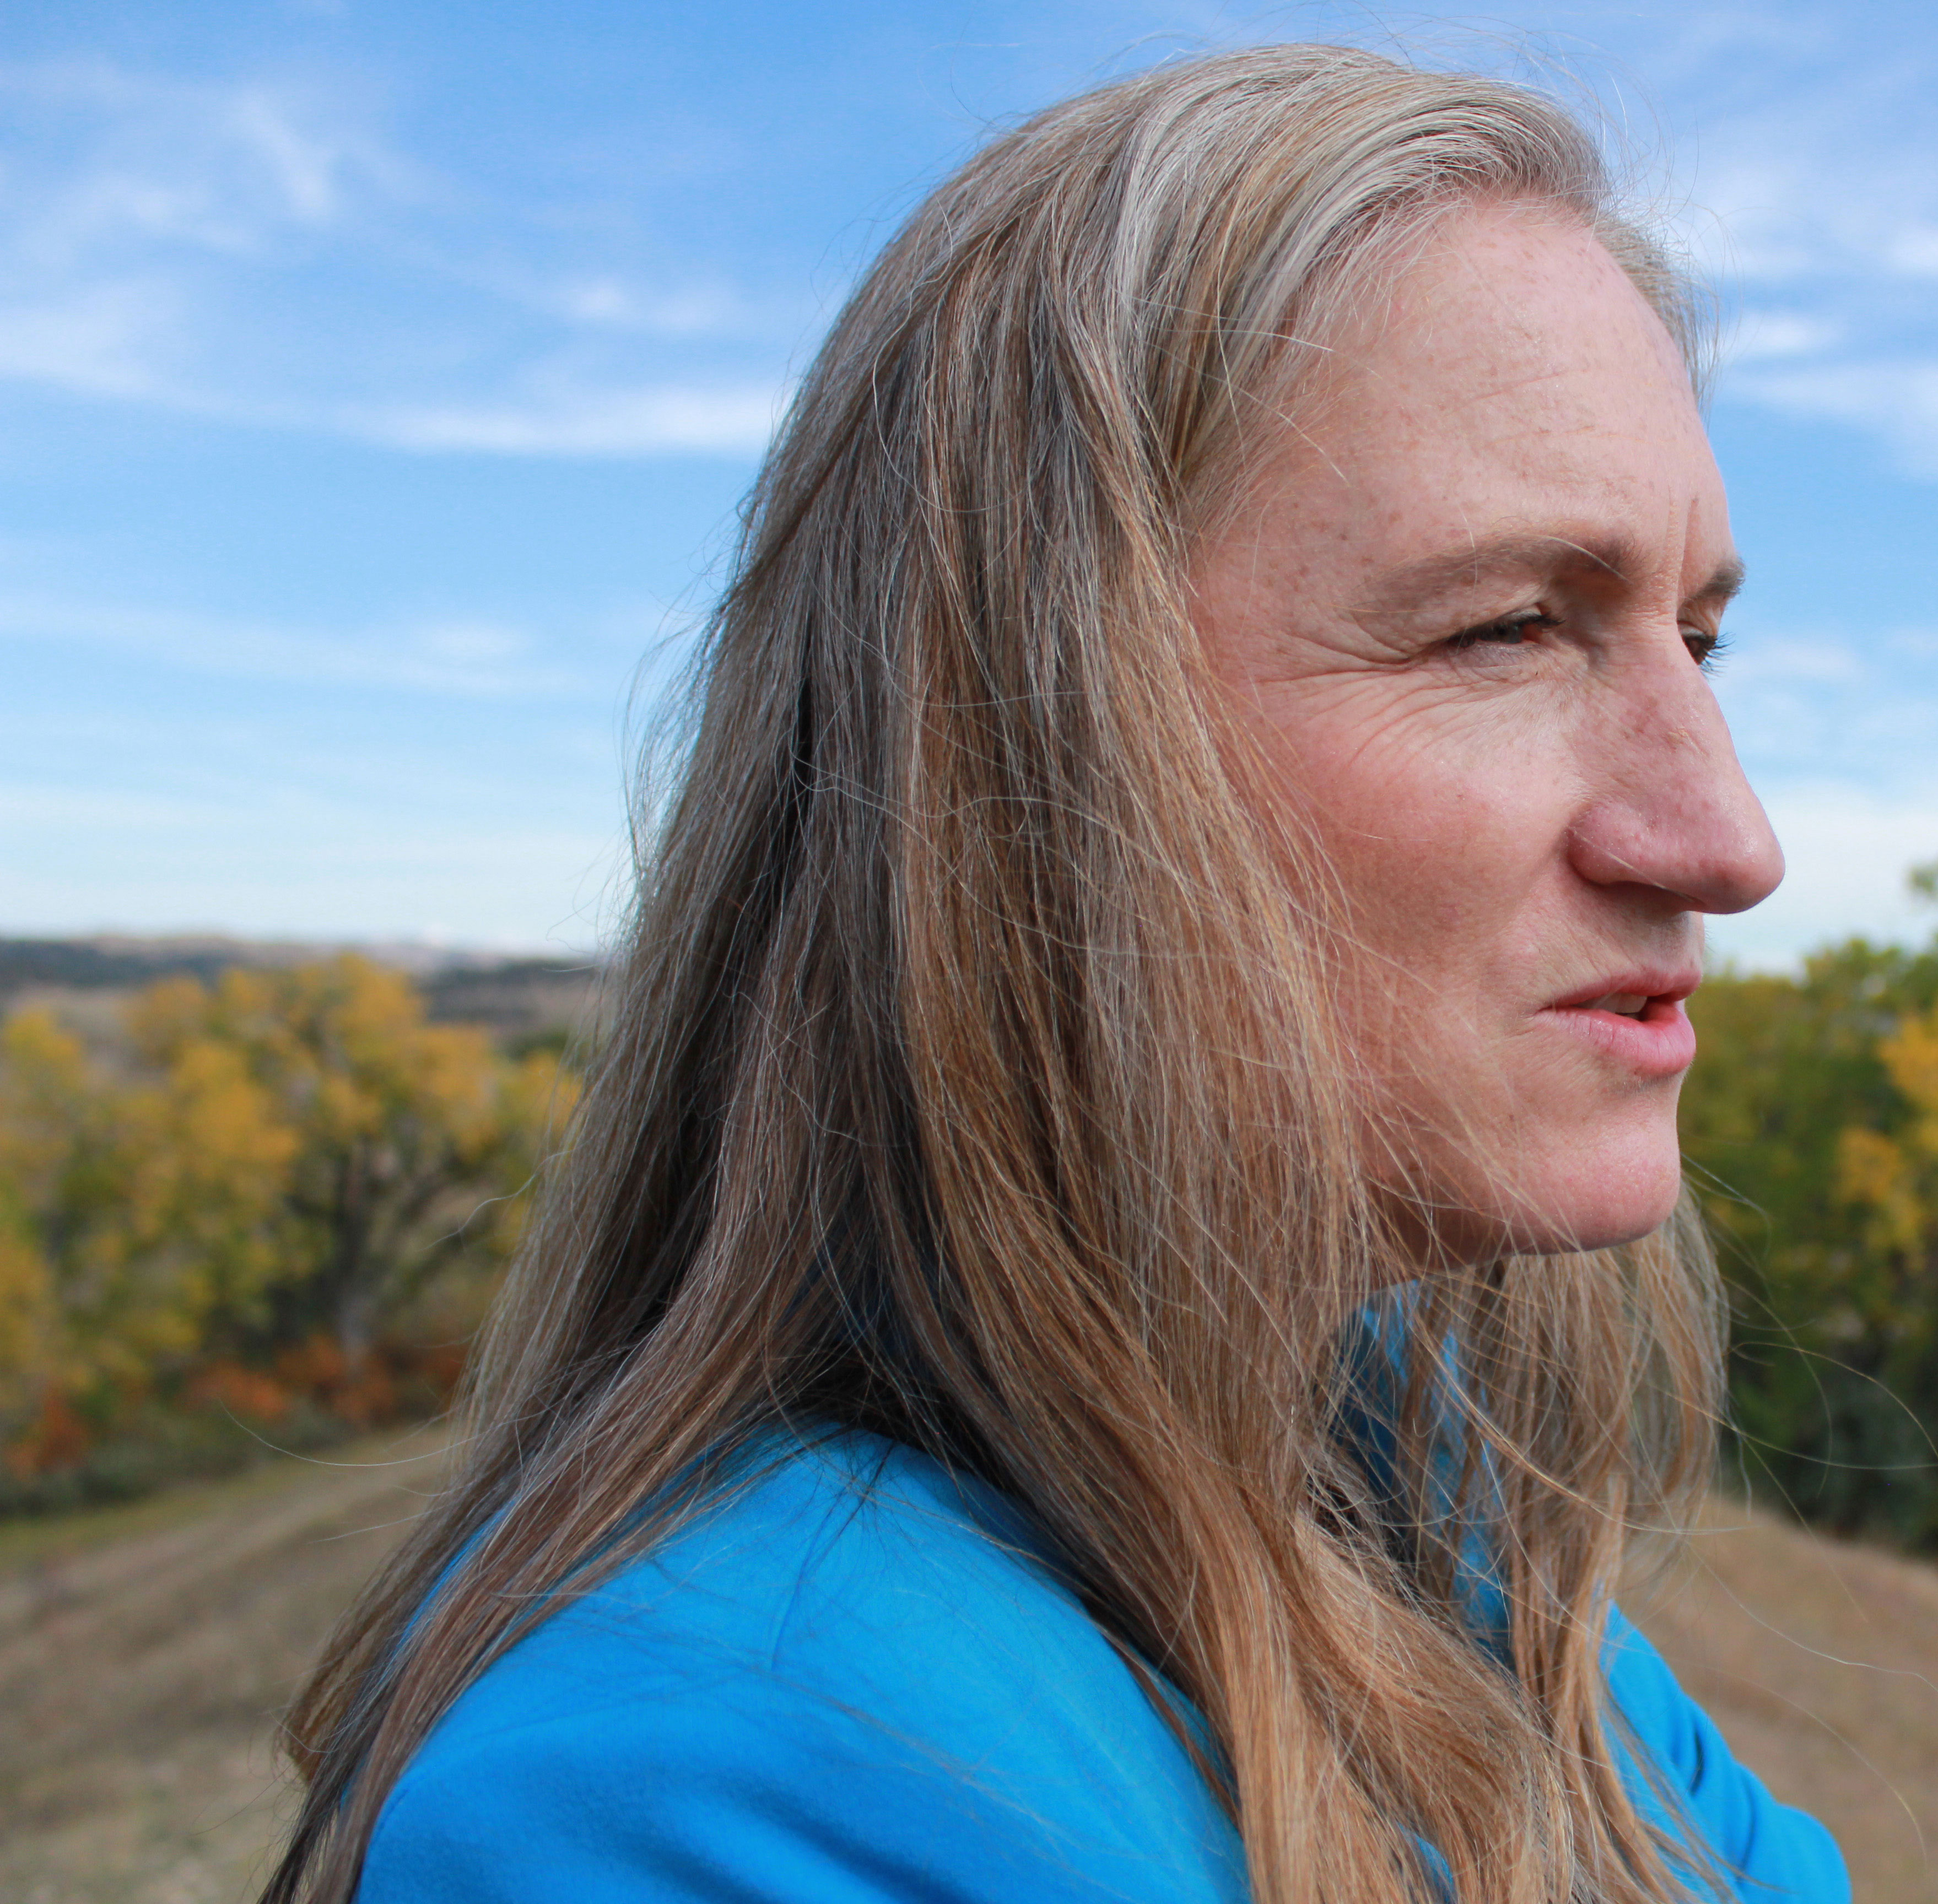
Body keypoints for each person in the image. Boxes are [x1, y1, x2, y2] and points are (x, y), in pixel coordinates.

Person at [263, 43, 1847, 1904]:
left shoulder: (1423, 1524)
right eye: (1510, 628)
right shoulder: (713, 1781)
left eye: (1699, 639)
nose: (1728, 840)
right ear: (1019, 770)